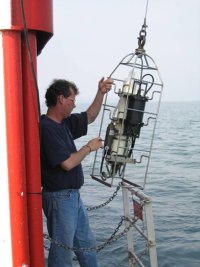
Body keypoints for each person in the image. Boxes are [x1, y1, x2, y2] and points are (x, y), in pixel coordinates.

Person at [40, 77, 112, 267]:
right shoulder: (46, 128)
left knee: (87, 246)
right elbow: (67, 163)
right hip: (59, 198)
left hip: (72, 197)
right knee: (62, 253)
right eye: (72, 100)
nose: (74, 105)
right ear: (61, 99)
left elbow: (90, 116)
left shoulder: (64, 123)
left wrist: (101, 92)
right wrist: (89, 147)